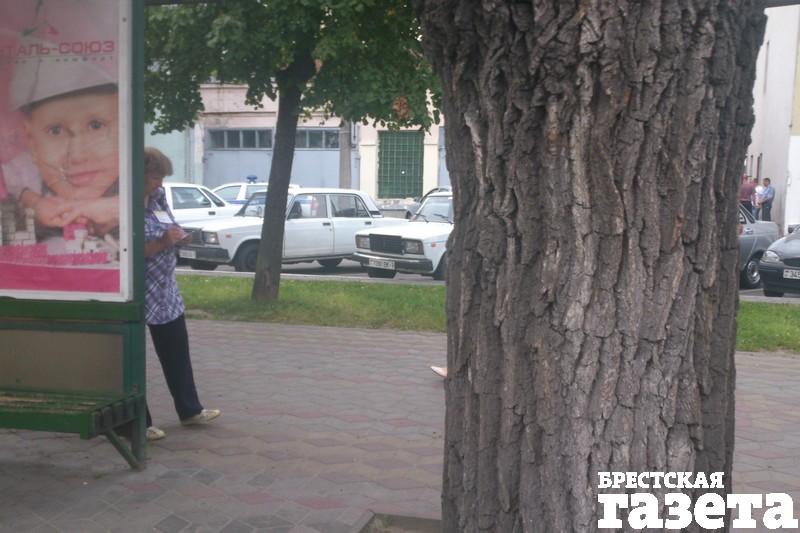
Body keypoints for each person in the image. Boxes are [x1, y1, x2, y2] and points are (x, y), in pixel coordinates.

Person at [3, 38, 120, 236]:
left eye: (96, 126)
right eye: (56, 131)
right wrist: (34, 202)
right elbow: (8, 176)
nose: (77, 156)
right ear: (31, 141)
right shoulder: (25, 170)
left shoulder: (135, 176)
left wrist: (116, 207)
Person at [143, 147, 220, 440]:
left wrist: (180, 236)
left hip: (164, 287)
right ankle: (138, 422)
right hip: (137, 287)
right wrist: (164, 241)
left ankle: (189, 409)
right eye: (155, 177)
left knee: (176, 347)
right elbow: (130, 249)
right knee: (132, 356)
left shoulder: (158, 197)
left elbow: (169, 224)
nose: (159, 183)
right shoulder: (122, 205)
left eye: (162, 177)